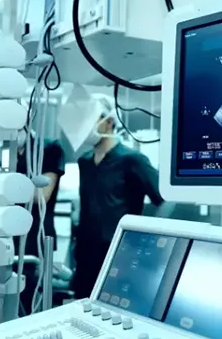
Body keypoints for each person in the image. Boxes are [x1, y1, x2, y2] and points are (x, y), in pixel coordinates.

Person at [70, 102, 166, 300]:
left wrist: (148, 241)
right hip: (86, 253)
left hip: (119, 254)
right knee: (82, 306)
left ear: (109, 122)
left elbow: (164, 200)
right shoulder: (85, 162)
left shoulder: (132, 160)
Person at [17, 137, 66, 314]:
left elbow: (43, 195)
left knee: (27, 302)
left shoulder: (48, 148)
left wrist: (5, 187)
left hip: (34, 238)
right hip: (5, 235)